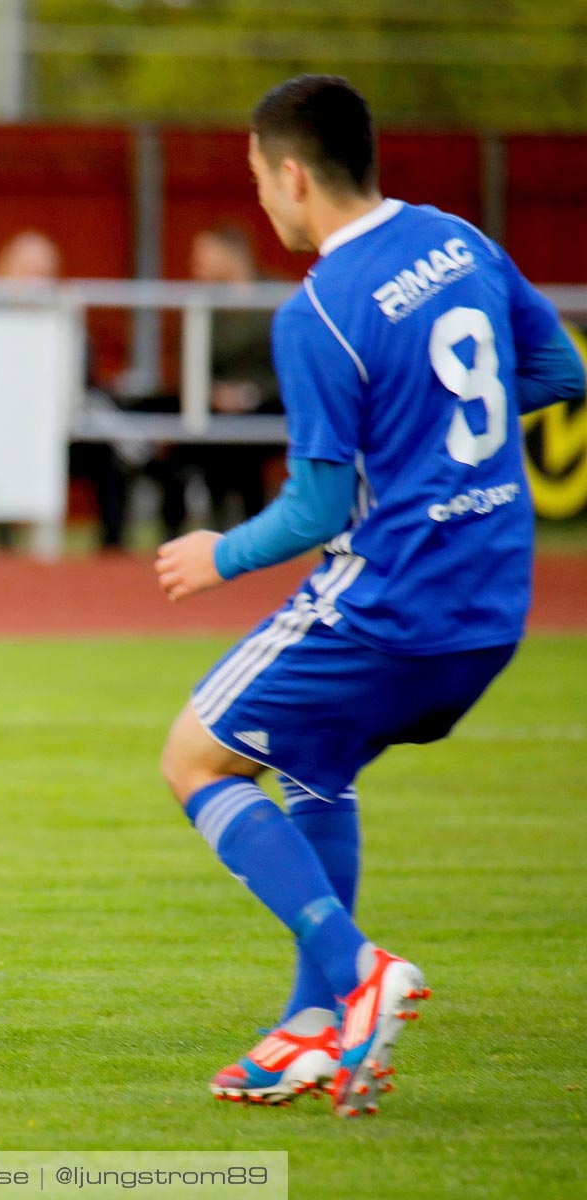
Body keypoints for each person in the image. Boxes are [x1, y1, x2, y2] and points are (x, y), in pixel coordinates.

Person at [154, 76, 584, 1117]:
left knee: (193, 758)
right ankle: (311, 1029)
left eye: (260, 180)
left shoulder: (318, 313)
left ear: (294, 176)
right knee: (317, 764)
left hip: (393, 601)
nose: (262, 202)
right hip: (491, 612)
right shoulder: (460, 240)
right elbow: (563, 368)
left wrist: (221, 553)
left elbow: (312, 508)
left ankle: (357, 972)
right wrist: (436, 428)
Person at [184, 223, 284, 526]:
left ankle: (255, 527)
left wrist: (254, 393)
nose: (195, 264)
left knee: (243, 446)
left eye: (204, 255)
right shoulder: (202, 304)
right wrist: (213, 392)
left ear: (232, 255)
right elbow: (189, 363)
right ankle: (216, 529)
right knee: (212, 440)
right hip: (216, 410)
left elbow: (298, 362)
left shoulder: (279, 295)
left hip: (273, 405)